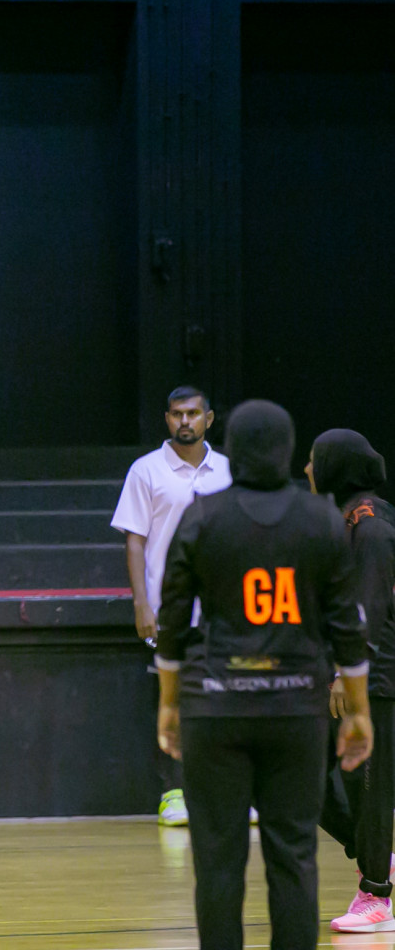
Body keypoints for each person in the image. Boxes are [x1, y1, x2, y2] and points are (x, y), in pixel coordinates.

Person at [156, 399, 373, 950]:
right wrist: (360, 711)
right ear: (285, 449)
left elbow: (173, 621)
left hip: (216, 707)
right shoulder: (323, 518)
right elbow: (347, 628)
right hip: (296, 710)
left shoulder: (203, 516)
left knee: (219, 861)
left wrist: (168, 702)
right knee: (294, 857)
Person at [111, 385, 232, 824]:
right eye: (177, 414)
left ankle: (228, 791)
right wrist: (142, 603)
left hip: (223, 611)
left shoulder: (228, 471)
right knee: (171, 697)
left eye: (194, 414)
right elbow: (134, 540)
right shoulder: (145, 471)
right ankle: (173, 793)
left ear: (209, 418)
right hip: (169, 608)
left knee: (226, 699)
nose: (185, 421)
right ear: (167, 419)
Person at [306, 429, 395, 932]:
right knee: (307, 776)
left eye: (314, 461)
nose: (306, 471)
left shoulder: (373, 529)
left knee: (370, 786)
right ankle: (373, 854)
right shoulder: (342, 521)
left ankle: (377, 895)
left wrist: (346, 672)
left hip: (375, 676)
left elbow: (369, 610)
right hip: (345, 672)